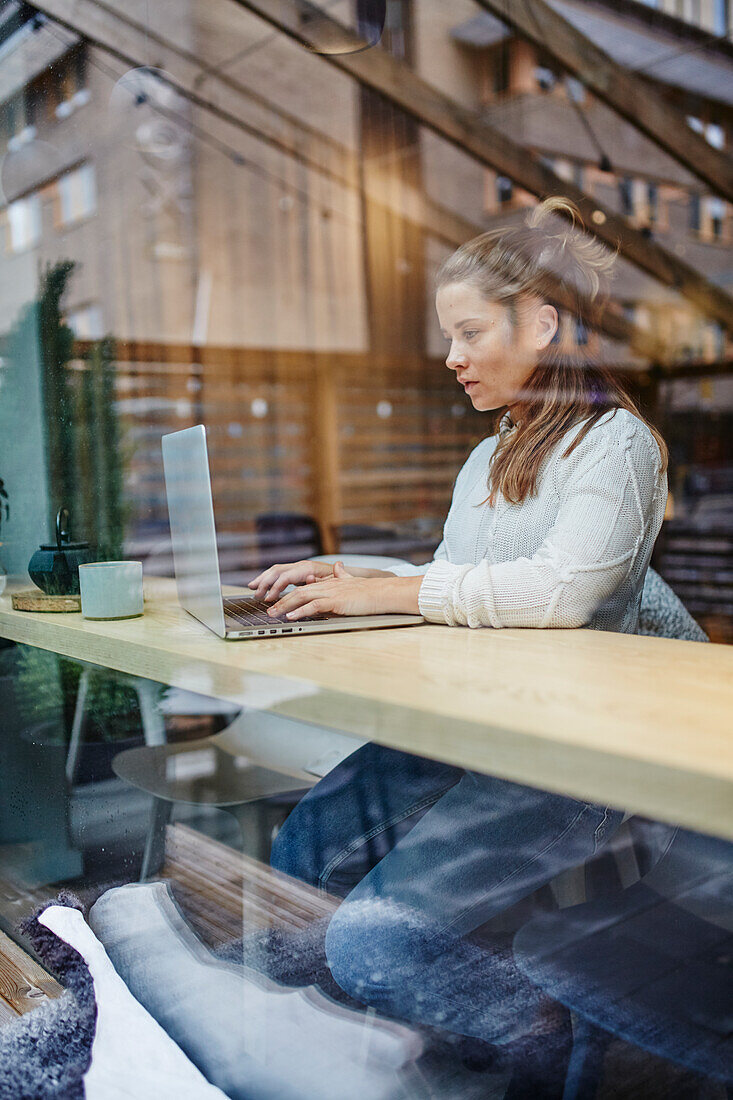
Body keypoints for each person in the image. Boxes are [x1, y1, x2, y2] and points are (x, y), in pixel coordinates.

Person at [247, 196, 669, 1047]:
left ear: (542, 324)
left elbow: (559, 594)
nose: (451, 357)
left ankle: (538, 1037)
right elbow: (461, 578)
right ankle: (302, 1046)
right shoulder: (488, 452)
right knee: (295, 863)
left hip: (575, 753)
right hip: (475, 726)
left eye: (469, 333)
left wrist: (389, 593)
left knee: (375, 945)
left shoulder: (616, 444)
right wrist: (361, 577)